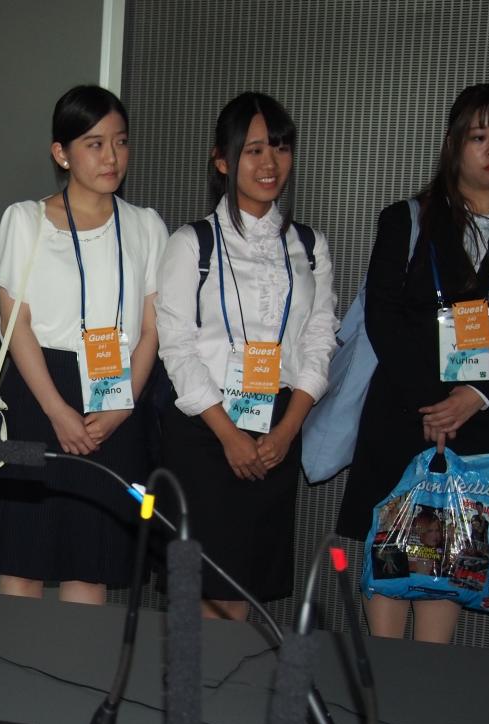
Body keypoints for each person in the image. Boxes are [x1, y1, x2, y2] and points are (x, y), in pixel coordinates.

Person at [337, 83, 489, 644]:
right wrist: (431, 404)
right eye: (479, 136)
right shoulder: (407, 220)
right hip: (402, 415)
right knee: (391, 566)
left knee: (448, 567)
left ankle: (429, 686)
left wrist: (471, 398)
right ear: (454, 144)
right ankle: (381, 686)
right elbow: (383, 317)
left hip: (476, 422)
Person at [0, 85, 167, 605]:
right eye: (94, 144)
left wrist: (123, 406)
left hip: (115, 393)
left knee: (90, 562)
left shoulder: (146, 226)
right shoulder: (25, 219)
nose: (111, 156)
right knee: (23, 559)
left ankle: (80, 663)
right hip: (38, 394)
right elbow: (15, 323)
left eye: (120, 141)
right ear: (62, 153)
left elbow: (152, 328)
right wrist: (56, 410)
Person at [155, 92, 338, 620]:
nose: (270, 162)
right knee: (201, 593)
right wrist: (228, 434)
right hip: (205, 429)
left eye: (280, 147)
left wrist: (287, 430)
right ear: (222, 160)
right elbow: (176, 345)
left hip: (276, 431)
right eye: (254, 149)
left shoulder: (311, 246)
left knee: (244, 594)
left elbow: (320, 340)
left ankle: (228, 679)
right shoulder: (191, 242)